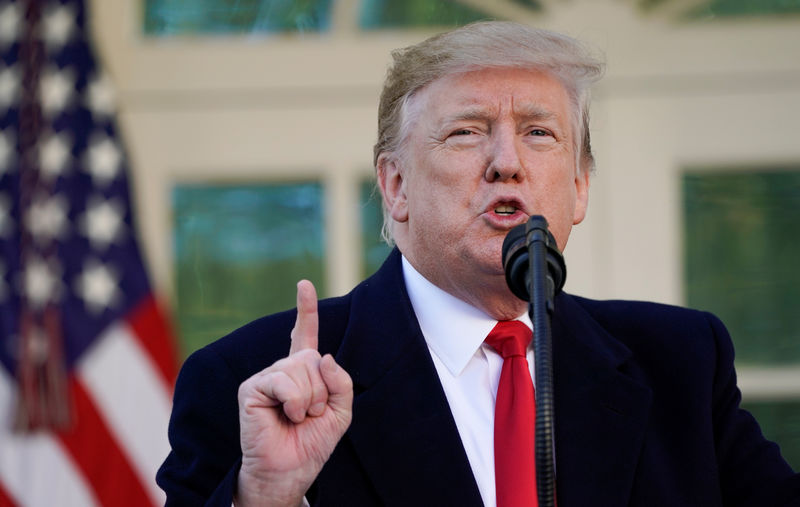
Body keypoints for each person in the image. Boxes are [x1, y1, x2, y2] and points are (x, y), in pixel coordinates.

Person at [156, 21, 800, 507]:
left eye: (539, 133)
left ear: (578, 188)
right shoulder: (250, 380)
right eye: (466, 131)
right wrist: (262, 497)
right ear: (396, 186)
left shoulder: (681, 362)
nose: (506, 162)